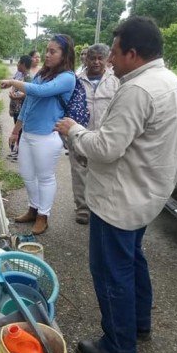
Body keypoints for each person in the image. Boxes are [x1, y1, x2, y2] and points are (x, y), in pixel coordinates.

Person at [55, 16, 177, 353]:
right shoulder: (170, 81)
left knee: (111, 270)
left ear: (133, 52)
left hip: (119, 200)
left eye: (115, 52)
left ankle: (119, 343)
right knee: (132, 260)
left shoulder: (137, 90)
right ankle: (139, 325)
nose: (110, 59)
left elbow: (107, 148)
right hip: (147, 194)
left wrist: (74, 131)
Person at [0, 35, 76, 234]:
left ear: (64, 54)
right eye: (47, 50)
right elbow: (29, 104)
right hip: (28, 134)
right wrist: (16, 131)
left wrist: (13, 82)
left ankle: (43, 215)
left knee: (45, 177)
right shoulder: (43, 74)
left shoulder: (67, 77)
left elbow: (41, 92)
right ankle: (33, 209)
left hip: (47, 136)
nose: (47, 55)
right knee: (27, 175)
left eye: (53, 51)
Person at [70, 44, 119, 224]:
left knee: (105, 172)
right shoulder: (76, 80)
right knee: (79, 171)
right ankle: (82, 209)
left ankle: (101, 208)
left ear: (107, 60)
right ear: (86, 59)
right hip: (80, 134)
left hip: (105, 136)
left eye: (100, 58)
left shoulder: (116, 80)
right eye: (93, 58)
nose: (96, 62)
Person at [5, 55, 32, 160]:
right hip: (16, 107)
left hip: (21, 108)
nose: (17, 64)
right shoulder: (19, 74)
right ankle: (17, 149)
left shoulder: (28, 77)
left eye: (19, 62)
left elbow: (29, 94)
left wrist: (18, 97)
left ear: (23, 64)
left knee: (20, 130)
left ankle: (19, 151)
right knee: (18, 129)